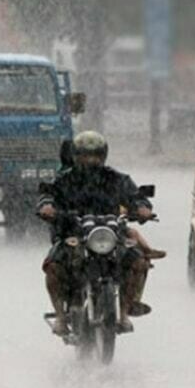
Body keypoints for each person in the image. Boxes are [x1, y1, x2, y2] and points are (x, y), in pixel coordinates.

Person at [38, 131, 155, 335]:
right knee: (53, 266)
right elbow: (47, 196)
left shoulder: (117, 179)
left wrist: (143, 207)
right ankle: (60, 317)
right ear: (75, 155)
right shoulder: (64, 180)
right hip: (72, 234)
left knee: (138, 262)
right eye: (85, 155)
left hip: (110, 235)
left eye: (96, 155)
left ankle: (126, 310)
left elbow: (136, 197)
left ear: (104, 156)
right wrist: (47, 207)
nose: (91, 160)